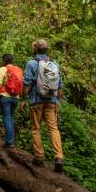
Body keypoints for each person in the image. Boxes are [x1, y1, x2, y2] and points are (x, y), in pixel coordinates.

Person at [22, 39, 65, 173]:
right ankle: (58, 157)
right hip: (52, 101)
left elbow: (27, 84)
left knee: (36, 128)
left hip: (36, 100)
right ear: (47, 50)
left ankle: (39, 157)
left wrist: (23, 98)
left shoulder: (31, 64)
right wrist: (57, 102)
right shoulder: (55, 64)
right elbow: (60, 86)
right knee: (53, 128)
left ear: (35, 49)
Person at [0, 54, 23, 148]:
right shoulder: (18, 69)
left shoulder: (3, 69)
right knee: (10, 118)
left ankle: (10, 142)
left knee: (7, 118)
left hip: (6, 97)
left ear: (4, 61)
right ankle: (11, 140)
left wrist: (3, 89)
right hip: (16, 98)